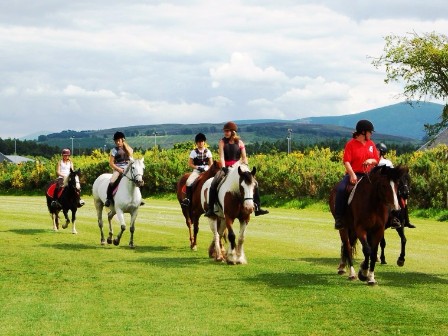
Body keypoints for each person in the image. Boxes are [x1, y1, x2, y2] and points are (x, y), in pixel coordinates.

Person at [204, 121, 269, 217]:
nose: (225, 133)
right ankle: (211, 209)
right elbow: (221, 157)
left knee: (255, 183)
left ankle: (258, 207)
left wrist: (244, 165)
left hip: (238, 167)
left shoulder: (240, 143)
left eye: (227, 131)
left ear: (233, 132)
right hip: (226, 167)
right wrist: (223, 167)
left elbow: (244, 157)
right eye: (225, 131)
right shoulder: (222, 142)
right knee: (214, 182)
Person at [334, 120, 379, 230]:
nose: (371, 134)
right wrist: (352, 175)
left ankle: (390, 217)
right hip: (355, 174)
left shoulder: (371, 144)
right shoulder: (350, 144)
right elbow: (346, 161)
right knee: (340, 189)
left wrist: (370, 160)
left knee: (384, 188)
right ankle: (339, 218)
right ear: (363, 132)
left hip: (368, 175)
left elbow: (376, 159)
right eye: (370, 132)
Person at [376, 142, 416, 229]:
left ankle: (400, 220)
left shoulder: (387, 162)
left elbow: (393, 175)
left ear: (381, 152)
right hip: (376, 186)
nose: (375, 152)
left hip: (387, 185)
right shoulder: (373, 161)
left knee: (402, 200)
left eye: (377, 150)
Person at [181, 133, 213, 207]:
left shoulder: (208, 152)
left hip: (206, 170)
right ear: (196, 143)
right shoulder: (193, 152)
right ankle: (188, 199)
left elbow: (211, 163)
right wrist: (197, 168)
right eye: (199, 142)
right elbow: (190, 164)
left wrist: (207, 168)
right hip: (197, 171)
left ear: (204, 142)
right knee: (188, 182)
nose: (200, 143)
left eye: (202, 141)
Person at [104, 131, 134, 207]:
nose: (117, 142)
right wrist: (119, 169)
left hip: (127, 168)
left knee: (136, 179)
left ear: (122, 140)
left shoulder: (129, 149)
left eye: (119, 140)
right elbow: (111, 163)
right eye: (116, 141)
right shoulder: (114, 150)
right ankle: (108, 198)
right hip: (118, 168)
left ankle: (138, 199)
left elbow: (131, 158)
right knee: (112, 181)